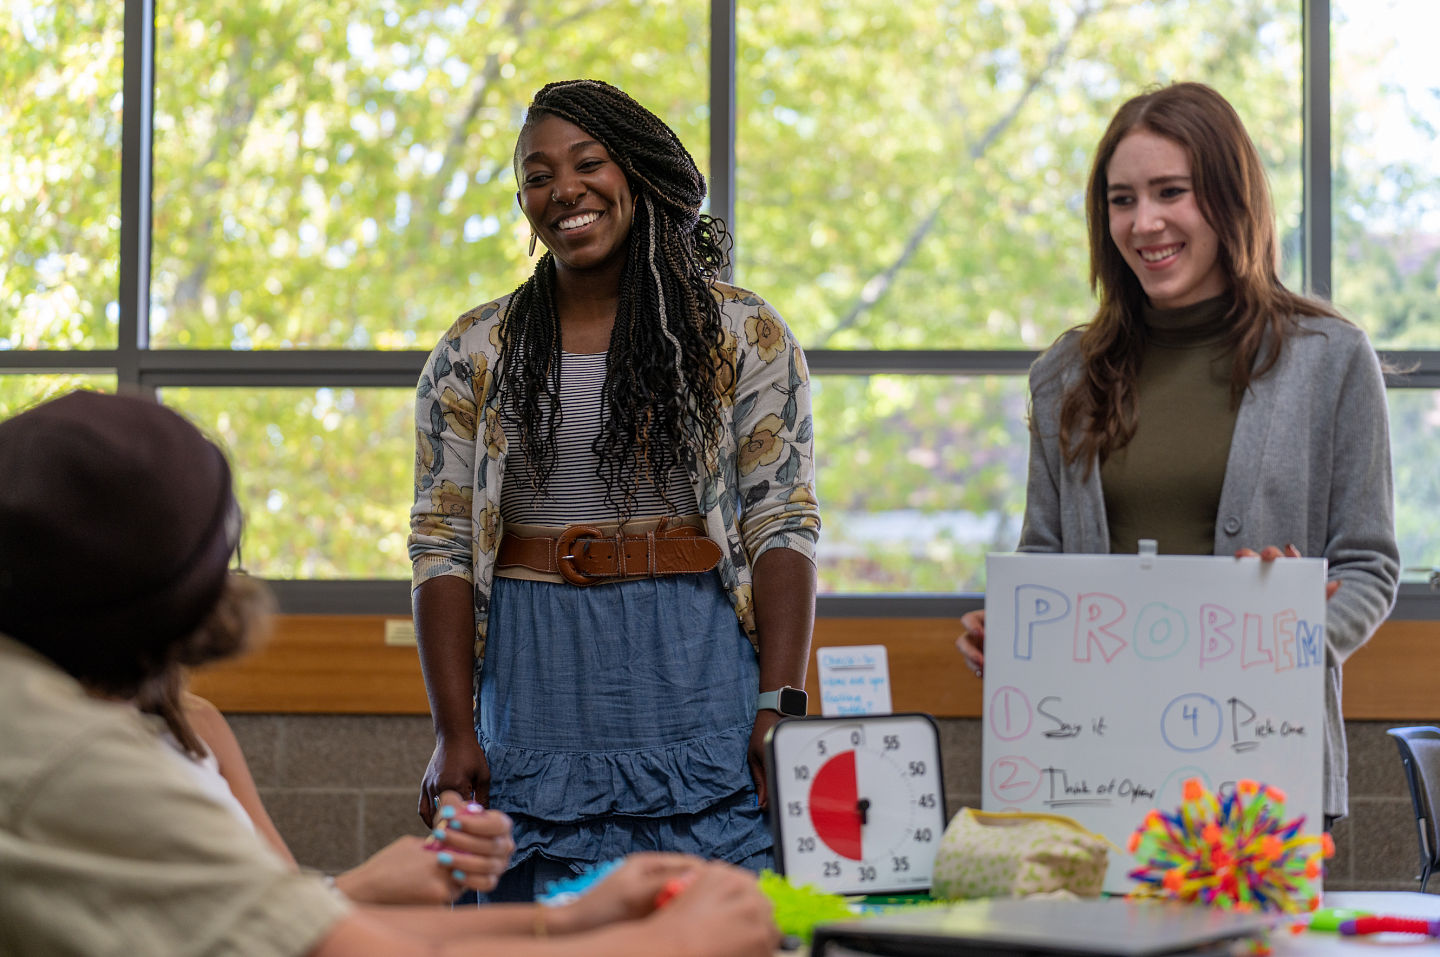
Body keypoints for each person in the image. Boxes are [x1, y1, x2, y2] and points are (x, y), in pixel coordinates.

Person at [0, 390, 780, 957]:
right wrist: (675, 940)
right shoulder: (77, 764)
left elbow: (280, 917)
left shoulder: (121, 718)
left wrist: (574, 920)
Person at [409, 78, 821, 900]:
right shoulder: (474, 349)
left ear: (636, 171)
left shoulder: (743, 331)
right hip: (538, 682)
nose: (563, 189)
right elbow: (441, 544)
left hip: (699, 676)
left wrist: (781, 703)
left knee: (714, 920)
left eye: (587, 161)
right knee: (539, 925)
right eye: (536, 174)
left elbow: (783, 523)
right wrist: (455, 731)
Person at [954, 82, 1398, 824]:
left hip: (1263, 767)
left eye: (1171, 192)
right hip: (1093, 769)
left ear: (1230, 198)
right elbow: (1047, 557)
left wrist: (1291, 629)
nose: (1144, 221)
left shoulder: (1332, 359)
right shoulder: (1062, 375)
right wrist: (1015, 633)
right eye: (1122, 199)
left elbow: (1370, 565)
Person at [132, 661, 517, 904]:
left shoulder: (196, 722)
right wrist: (364, 886)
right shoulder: (92, 751)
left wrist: (560, 921)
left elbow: (284, 888)